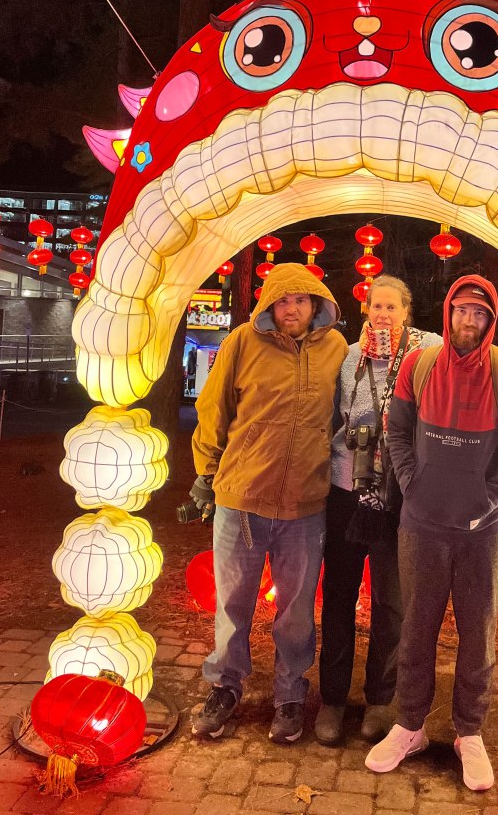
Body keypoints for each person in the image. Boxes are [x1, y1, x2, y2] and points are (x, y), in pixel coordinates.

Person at [316, 275, 498, 747]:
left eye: (392, 307)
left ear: (407, 312)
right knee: (338, 598)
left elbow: (476, 357)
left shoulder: (425, 351)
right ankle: (332, 700)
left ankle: (381, 700)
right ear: (366, 310)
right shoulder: (347, 357)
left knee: (392, 603)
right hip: (346, 487)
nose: (383, 315)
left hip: (398, 495)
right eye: (376, 306)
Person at [189, 263, 348, 744]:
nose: (291, 309)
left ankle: (290, 693)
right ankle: (225, 686)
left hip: (305, 504)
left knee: (296, 612)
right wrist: (206, 472)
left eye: (301, 300)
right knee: (232, 605)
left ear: (316, 305)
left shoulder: (337, 349)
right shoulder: (242, 342)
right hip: (243, 499)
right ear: (269, 306)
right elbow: (213, 408)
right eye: (283, 301)